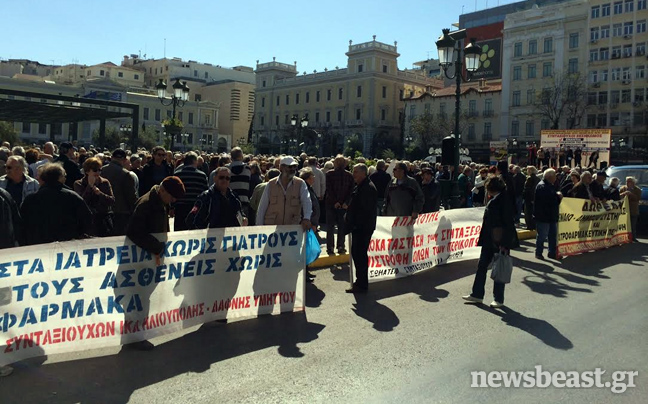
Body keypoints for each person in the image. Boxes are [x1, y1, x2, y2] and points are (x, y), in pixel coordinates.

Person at [126, 176, 185, 351]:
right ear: (163, 190)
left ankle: (133, 335)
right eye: (172, 197)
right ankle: (136, 337)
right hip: (142, 259)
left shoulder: (159, 201)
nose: (173, 201)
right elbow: (134, 231)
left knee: (142, 297)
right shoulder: (147, 204)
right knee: (140, 297)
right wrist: (157, 247)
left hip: (150, 258)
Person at [463, 176, 519, 308]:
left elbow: (507, 223)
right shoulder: (498, 198)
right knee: (482, 266)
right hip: (490, 239)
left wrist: (505, 244)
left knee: (498, 268)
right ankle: (477, 294)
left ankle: (498, 299)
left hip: (498, 240)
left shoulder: (503, 200)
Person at [20, 163, 92, 245]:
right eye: (64, 175)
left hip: (38, 247)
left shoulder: (30, 199)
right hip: (68, 245)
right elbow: (87, 219)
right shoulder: (72, 196)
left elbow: (22, 223)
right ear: (60, 177)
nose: (65, 178)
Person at [344, 164, 378, 294]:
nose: (354, 174)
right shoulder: (361, 186)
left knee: (360, 255)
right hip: (359, 227)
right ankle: (360, 282)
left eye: (356, 172)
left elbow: (364, 211)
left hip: (362, 228)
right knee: (357, 254)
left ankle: (361, 284)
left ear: (364, 173)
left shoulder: (368, 188)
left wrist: (354, 223)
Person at [256, 156, 312, 231]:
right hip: (272, 229)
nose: (292, 169)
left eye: (294, 166)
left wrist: (307, 218)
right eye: (289, 167)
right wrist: (259, 227)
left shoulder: (300, 183)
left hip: (292, 229)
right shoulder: (271, 184)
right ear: (281, 168)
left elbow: (307, 201)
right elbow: (262, 207)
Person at [74, 157, 115, 237]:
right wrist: (90, 186)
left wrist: (100, 194)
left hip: (104, 219)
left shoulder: (104, 182)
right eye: (95, 170)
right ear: (87, 171)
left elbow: (111, 200)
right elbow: (82, 202)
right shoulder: (78, 184)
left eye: (100, 170)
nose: (98, 172)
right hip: (89, 220)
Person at [101, 149, 138, 235]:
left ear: (111, 158)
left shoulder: (101, 171)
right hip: (122, 212)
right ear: (125, 160)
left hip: (104, 211)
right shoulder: (126, 174)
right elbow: (131, 196)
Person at [325, 155, 354, 254]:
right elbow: (351, 191)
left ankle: (330, 247)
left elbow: (329, 190)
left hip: (331, 204)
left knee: (330, 227)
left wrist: (335, 202)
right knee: (341, 226)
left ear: (335, 163)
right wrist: (346, 202)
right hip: (343, 205)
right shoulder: (349, 175)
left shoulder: (329, 174)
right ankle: (341, 246)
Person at [174, 152, 209, 231]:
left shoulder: (177, 174)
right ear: (194, 161)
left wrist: (172, 207)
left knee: (180, 233)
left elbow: (174, 192)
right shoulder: (202, 175)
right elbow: (205, 193)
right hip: (196, 208)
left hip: (180, 208)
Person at [534, 169, 562, 260]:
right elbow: (548, 201)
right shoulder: (542, 186)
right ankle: (539, 252)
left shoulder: (549, 186)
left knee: (552, 236)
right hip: (544, 216)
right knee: (542, 235)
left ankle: (552, 252)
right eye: (554, 176)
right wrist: (558, 197)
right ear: (550, 177)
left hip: (551, 216)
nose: (556, 178)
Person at [301, 168, 321, 283]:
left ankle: (306, 271)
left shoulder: (309, 188)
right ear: (308, 178)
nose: (314, 178)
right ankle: (304, 272)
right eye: (312, 177)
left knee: (307, 249)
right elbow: (309, 207)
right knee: (305, 249)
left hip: (311, 223)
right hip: (308, 224)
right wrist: (312, 222)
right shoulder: (305, 189)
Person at [227, 147, 252, 216]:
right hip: (244, 200)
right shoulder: (247, 169)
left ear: (231, 157)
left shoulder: (226, 169)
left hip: (229, 201)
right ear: (242, 156)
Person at [619, 176, 642, 242]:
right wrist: (624, 193)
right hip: (624, 209)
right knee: (624, 224)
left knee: (632, 225)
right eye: (627, 181)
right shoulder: (622, 188)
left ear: (633, 183)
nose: (628, 183)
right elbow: (618, 196)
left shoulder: (637, 190)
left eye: (629, 181)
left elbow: (638, 198)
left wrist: (631, 194)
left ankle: (633, 237)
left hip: (633, 210)